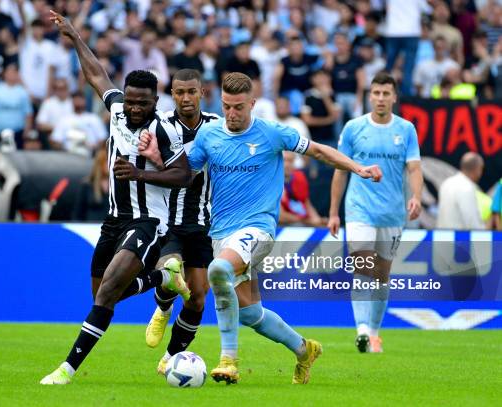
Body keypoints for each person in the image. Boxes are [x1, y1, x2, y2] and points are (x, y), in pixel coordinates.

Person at [139, 72, 382, 384]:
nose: (232, 113)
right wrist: (156, 160)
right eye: (227, 106)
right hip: (222, 233)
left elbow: (319, 151)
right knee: (251, 313)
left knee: (217, 271)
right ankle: (304, 349)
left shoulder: (272, 133)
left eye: (239, 107)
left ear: (252, 103)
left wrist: (357, 167)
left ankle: (228, 360)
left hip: (258, 230)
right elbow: (182, 174)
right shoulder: (209, 136)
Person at [40, 11, 191, 386]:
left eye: (144, 103)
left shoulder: (167, 130)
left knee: (107, 292)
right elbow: (95, 74)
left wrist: (139, 173)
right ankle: (162, 278)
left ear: (156, 100)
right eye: (133, 101)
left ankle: (66, 370)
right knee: (101, 296)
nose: (136, 108)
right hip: (113, 220)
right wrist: (74, 35)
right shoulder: (119, 110)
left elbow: (184, 174)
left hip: (148, 222)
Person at [328, 71, 423, 354]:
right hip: (359, 210)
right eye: (376, 93)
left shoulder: (406, 130)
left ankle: (374, 332)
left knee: (381, 277)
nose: (380, 98)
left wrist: (416, 197)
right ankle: (361, 330)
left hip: (392, 213)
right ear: (370, 96)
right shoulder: (354, 128)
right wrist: (333, 212)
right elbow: (340, 170)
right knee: (362, 268)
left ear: (394, 97)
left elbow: (414, 168)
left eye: (385, 94)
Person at [144, 69, 220, 375]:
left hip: (203, 222)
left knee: (198, 297)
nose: (185, 98)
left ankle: (170, 356)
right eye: (179, 93)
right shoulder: (160, 126)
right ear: (171, 94)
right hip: (168, 219)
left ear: (202, 92)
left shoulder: (217, 126)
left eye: (191, 92)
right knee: (170, 270)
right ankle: (162, 309)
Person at [437, 152, 486, 230]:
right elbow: (472, 222)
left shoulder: (447, 183)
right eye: (481, 169)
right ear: (477, 169)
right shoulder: (467, 188)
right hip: (460, 240)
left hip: (443, 237)